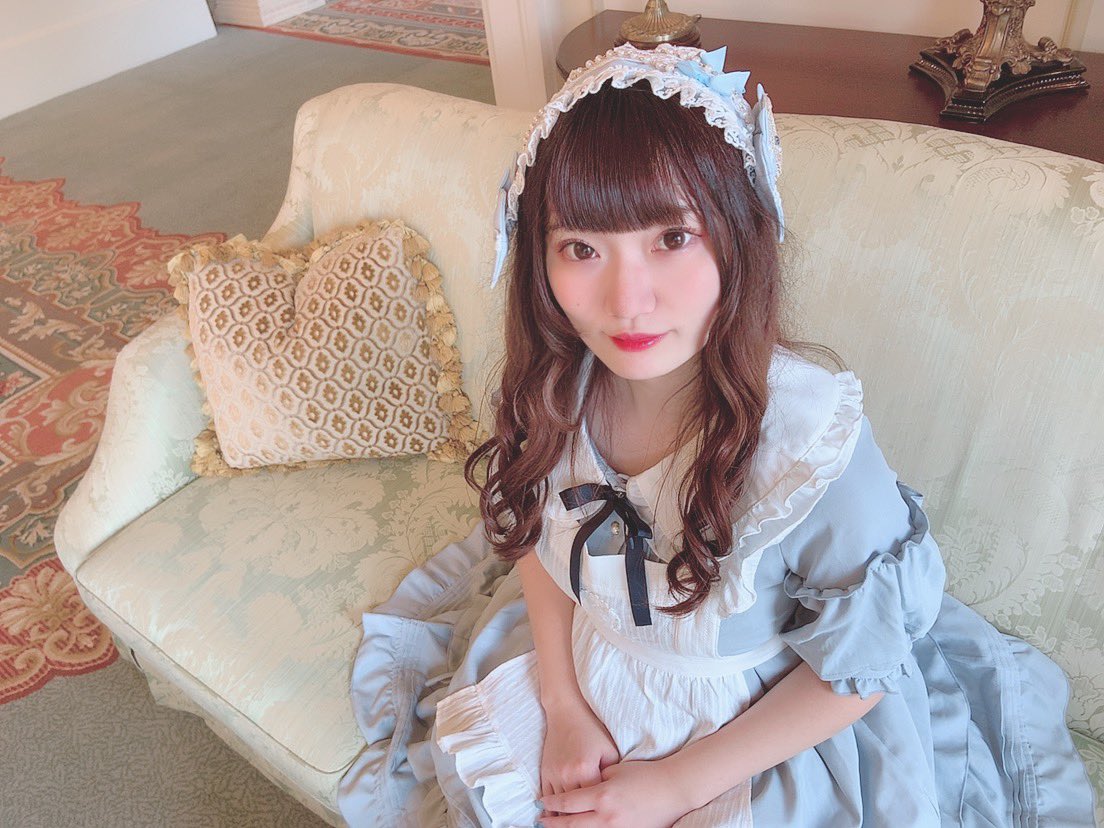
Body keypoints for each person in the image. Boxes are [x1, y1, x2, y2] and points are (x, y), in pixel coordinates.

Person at [337, 43, 1096, 828]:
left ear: (740, 234)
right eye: (582, 249)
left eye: (672, 238)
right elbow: (538, 532)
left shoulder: (809, 450)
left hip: (757, 737)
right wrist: (562, 706)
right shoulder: (556, 390)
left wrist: (674, 787)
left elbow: (856, 674)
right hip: (587, 675)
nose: (628, 301)